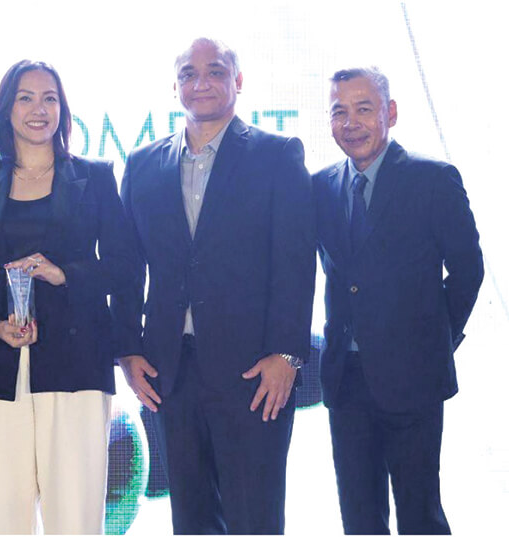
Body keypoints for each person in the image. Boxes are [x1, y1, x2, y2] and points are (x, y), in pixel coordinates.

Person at [112, 38, 316, 534]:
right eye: (188, 73)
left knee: (255, 519)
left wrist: (287, 355)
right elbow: (124, 266)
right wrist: (127, 349)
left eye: (216, 71)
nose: (200, 82)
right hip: (171, 374)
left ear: (238, 81)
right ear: (175, 85)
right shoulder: (142, 163)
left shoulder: (277, 155)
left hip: (255, 374)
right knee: (191, 519)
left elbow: (294, 262)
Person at [0, 60, 137, 534]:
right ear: (6, 110)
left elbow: (126, 266)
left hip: (76, 365)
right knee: (1, 515)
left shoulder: (95, 176)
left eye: (50, 98)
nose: (38, 109)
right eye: (25, 98)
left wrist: (63, 274)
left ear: (63, 110)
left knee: (76, 515)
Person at [314, 67, 483, 534]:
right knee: (359, 519)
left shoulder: (433, 179)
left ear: (389, 113)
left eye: (363, 109)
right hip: (345, 380)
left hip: (414, 379)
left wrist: (434, 340)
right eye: (339, 112)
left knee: (420, 516)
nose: (351, 123)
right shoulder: (320, 186)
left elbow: (468, 270)